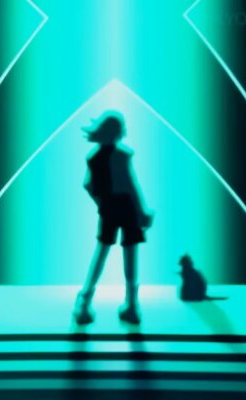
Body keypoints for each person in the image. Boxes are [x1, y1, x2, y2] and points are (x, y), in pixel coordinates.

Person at [73, 110, 153, 325]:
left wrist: (101, 202)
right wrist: (142, 211)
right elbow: (131, 186)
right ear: (117, 132)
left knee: (102, 252)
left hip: (109, 208)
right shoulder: (123, 155)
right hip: (127, 208)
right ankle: (132, 304)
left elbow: (87, 185)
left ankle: (84, 301)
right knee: (130, 254)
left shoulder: (93, 157)